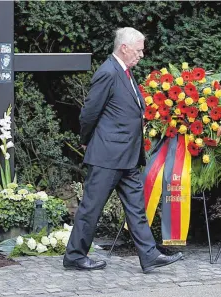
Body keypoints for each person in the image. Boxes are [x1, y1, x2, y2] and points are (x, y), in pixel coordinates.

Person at [63, 27, 183, 273]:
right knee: (91, 208)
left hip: (126, 156)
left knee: (136, 208)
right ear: (124, 48)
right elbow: (89, 112)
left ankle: (149, 255)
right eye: (138, 50)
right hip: (108, 155)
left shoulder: (124, 71)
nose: (141, 55)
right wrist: (86, 139)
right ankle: (75, 256)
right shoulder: (108, 72)